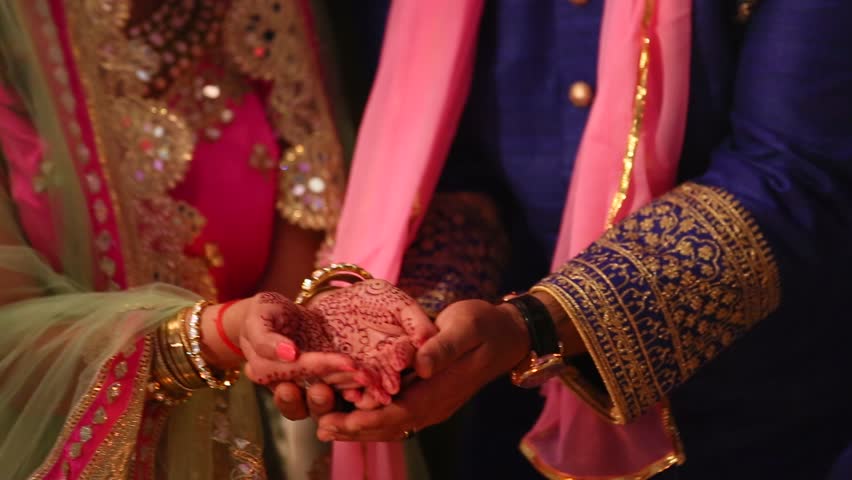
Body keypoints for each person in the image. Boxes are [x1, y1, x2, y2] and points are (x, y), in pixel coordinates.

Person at [272, 1, 852, 479]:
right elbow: (462, 184)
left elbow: (794, 175)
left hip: (770, 422)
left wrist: (535, 325)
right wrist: (400, 330)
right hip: (515, 426)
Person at [0, 1, 434, 478]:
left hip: (273, 435)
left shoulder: (262, 16)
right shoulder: (16, 37)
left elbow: (310, 217)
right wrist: (221, 334)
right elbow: (11, 346)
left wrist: (322, 333)